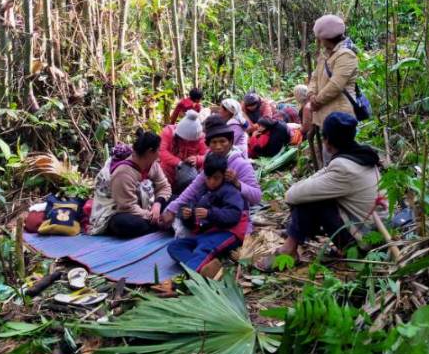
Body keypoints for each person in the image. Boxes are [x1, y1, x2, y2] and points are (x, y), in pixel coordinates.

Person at [257, 112, 381, 269]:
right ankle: (294, 240)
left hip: (364, 243)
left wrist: (301, 188)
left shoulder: (344, 167)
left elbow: (292, 195)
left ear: (327, 140)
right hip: (375, 233)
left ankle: (289, 249)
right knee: (312, 195)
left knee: (308, 201)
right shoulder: (360, 156)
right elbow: (322, 173)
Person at [160, 116, 261, 231]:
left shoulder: (241, 164)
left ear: (231, 142)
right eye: (214, 142)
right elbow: (195, 186)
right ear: (208, 144)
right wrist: (171, 209)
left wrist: (237, 183)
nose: (218, 147)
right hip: (208, 208)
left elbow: (257, 197)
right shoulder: (210, 158)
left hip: (230, 214)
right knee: (173, 214)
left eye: (222, 141)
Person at [167, 153, 249, 278]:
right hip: (205, 233)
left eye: (216, 178)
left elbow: (234, 215)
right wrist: (187, 216)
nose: (211, 182)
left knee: (203, 249)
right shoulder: (202, 190)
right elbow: (192, 212)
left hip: (228, 232)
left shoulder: (230, 191)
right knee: (174, 246)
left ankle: (183, 282)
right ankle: (206, 269)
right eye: (208, 177)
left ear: (223, 176)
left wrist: (209, 214)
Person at [307, 14, 358, 163]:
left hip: (340, 116)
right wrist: (311, 93)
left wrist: (316, 101)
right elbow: (315, 77)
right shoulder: (325, 55)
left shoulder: (346, 55)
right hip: (325, 114)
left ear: (326, 38)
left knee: (340, 157)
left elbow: (336, 85)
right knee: (329, 155)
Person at [106, 130, 172, 239]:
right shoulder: (123, 173)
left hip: (150, 206)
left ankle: (159, 223)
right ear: (150, 152)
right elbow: (127, 206)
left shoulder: (153, 165)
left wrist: (158, 204)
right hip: (123, 211)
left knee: (177, 201)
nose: (160, 153)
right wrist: (151, 215)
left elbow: (164, 186)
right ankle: (160, 225)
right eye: (158, 150)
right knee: (125, 224)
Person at [159, 110, 208, 194]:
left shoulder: (201, 138)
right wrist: (179, 163)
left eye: (191, 141)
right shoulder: (168, 132)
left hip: (188, 176)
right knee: (164, 193)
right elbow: (161, 151)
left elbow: (207, 155)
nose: (187, 142)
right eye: (184, 139)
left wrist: (197, 159)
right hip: (167, 172)